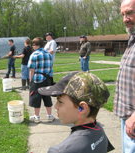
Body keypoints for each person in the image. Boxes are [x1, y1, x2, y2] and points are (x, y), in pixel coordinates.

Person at [38, 71, 115, 153]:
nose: (56, 106)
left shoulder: (59, 151)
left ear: (82, 108)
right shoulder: (98, 130)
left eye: (60, 102)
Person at [114, 0, 135, 152]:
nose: (125, 19)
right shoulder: (132, 39)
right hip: (128, 116)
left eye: (130, 13)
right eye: (123, 14)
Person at [27, 37, 54, 123]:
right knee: (47, 97)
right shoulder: (49, 54)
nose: (32, 47)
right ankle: (50, 116)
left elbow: (32, 70)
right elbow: (51, 67)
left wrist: (30, 81)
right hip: (47, 79)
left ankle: (37, 117)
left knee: (36, 98)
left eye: (33, 45)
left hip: (37, 80)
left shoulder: (34, 55)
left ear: (38, 45)